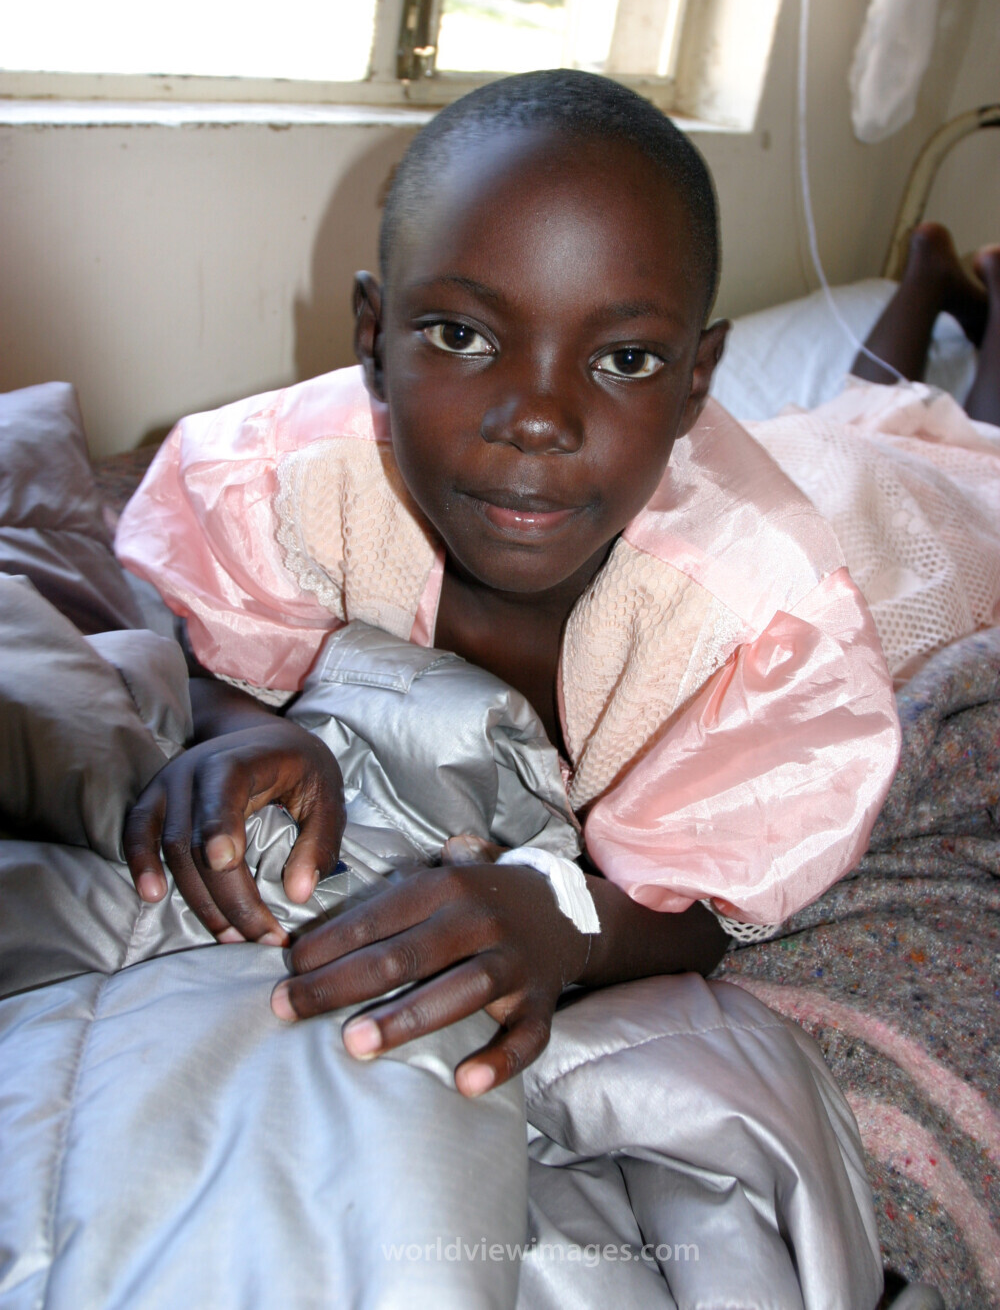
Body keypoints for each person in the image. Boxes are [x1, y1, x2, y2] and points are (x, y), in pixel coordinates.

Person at [115, 68, 903, 1101]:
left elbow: (713, 900)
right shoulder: (293, 478)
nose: (538, 419)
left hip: (902, 520)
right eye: (460, 337)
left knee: (934, 445)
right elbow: (195, 611)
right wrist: (234, 721)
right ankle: (924, 285)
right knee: (854, 415)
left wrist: (565, 917)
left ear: (695, 384)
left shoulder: (759, 619)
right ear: (373, 338)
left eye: (624, 358)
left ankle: (931, 304)